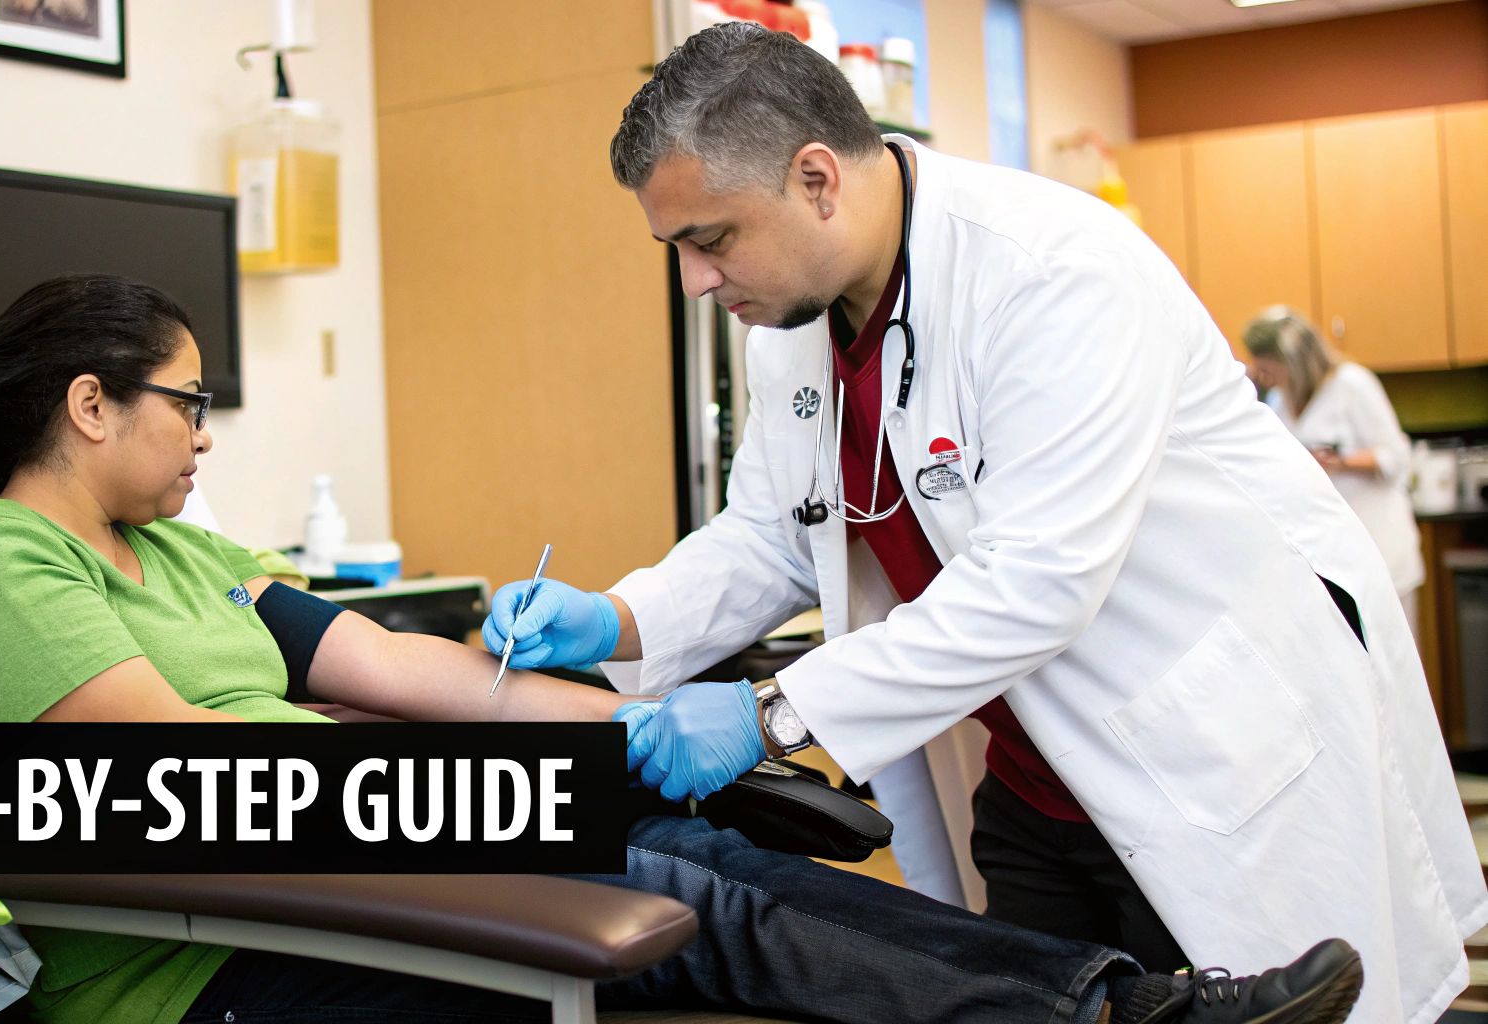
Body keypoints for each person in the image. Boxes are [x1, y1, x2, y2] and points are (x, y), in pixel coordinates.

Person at [0, 273, 1361, 1024]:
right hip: (205, 967)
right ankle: (1113, 1011)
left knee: (689, 842)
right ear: (89, 407)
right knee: (681, 892)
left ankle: (1109, 1003)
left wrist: (656, 716)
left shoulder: (192, 557)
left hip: (343, 865)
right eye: (187, 404)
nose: (205, 436)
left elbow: (419, 677)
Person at [481, 22, 1484, 1024]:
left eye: (709, 239)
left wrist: (768, 716)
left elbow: (1033, 583)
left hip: (1204, 748)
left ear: (817, 179)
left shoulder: (1052, 270)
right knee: (1046, 1004)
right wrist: (613, 616)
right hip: (1026, 777)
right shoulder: (789, 329)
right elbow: (774, 535)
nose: (696, 282)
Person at [1244, 307, 1425, 634]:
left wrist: (1338, 462)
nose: (1260, 370)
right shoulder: (1280, 400)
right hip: (1330, 561)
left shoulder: (1351, 385)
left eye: (1266, 362)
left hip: (1381, 551)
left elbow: (1396, 457)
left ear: (1293, 360)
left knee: (1393, 665)